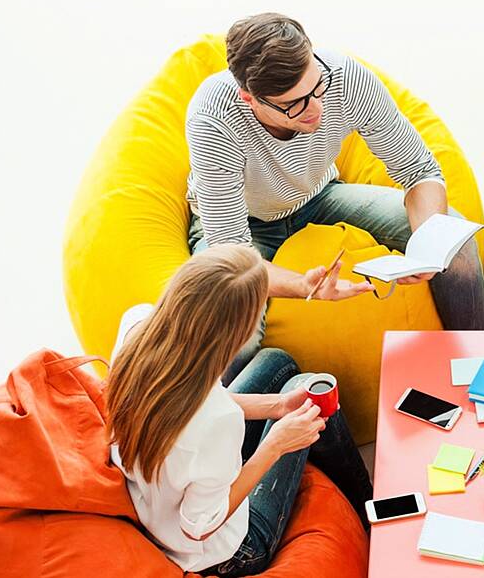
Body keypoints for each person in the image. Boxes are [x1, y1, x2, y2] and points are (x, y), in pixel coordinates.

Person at [185, 12, 484, 360]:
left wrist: (431, 249)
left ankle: (476, 367)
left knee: (456, 242)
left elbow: (419, 171)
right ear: (249, 99)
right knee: (230, 329)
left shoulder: (344, 77)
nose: (317, 108)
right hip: (243, 227)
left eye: (316, 87)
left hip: (319, 195)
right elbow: (233, 255)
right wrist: (303, 285)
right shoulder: (213, 118)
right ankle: (256, 412)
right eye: (293, 104)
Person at [106, 245, 373, 576]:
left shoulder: (139, 324)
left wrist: (277, 405)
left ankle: (372, 508)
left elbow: (193, 405)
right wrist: (275, 445)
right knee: (310, 390)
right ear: (236, 333)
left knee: (276, 363)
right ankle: (373, 517)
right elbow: (199, 527)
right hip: (223, 548)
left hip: (159, 490)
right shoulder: (217, 422)